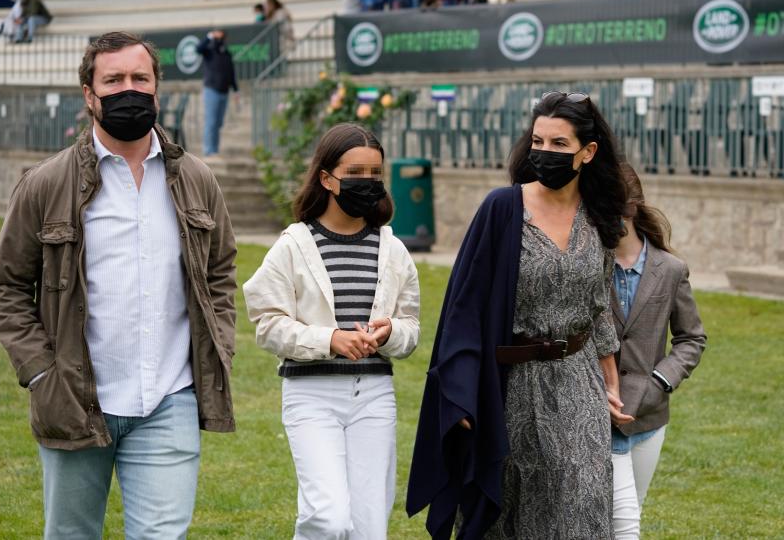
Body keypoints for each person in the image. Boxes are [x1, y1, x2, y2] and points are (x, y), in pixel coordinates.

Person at [0, 31, 237, 539]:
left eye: (140, 78)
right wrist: (40, 373)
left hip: (169, 399)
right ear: (89, 93)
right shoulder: (46, 183)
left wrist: (219, 345)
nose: (129, 89)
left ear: (157, 89)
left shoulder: (196, 179)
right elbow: (7, 287)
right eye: (114, 79)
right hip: (74, 399)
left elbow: (220, 272)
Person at [407, 91, 632, 538]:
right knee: (513, 514)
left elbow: (598, 306)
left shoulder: (601, 216)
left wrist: (610, 380)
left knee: (583, 505)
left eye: (559, 145)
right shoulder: (503, 208)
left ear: (587, 153)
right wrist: (461, 391)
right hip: (511, 388)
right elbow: (464, 308)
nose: (544, 153)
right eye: (538, 142)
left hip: (578, 378)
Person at [245, 122, 420, 539]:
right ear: (326, 178)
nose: (367, 183)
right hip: (311, 395)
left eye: (375, 174)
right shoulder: (293, 245)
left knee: (368, 526)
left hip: (373, 397)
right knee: (328, 517)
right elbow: (267, 324)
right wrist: (330, 340)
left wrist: (389, 331)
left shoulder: (392, 249)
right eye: (354, 173)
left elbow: (411, 328)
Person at [610, 163, 706, 539]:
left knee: (631, 507)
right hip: (597, 414)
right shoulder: (588, 265)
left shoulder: (670, 269)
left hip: (649, 419)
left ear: (630, 210)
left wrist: (659, 383)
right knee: (625, 524)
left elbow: (691, 338)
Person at [196, 29, 238, 158]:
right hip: (211, 90)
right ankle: (209, 150)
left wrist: (236, 90)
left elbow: (231, 73)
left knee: (218, 122)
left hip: (224, 92)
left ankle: (214, 149)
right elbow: (198, 48)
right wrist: (209, 36)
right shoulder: (209, 51)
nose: (220, 38)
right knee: (211, 121)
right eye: (217, 35)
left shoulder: (226, 53)